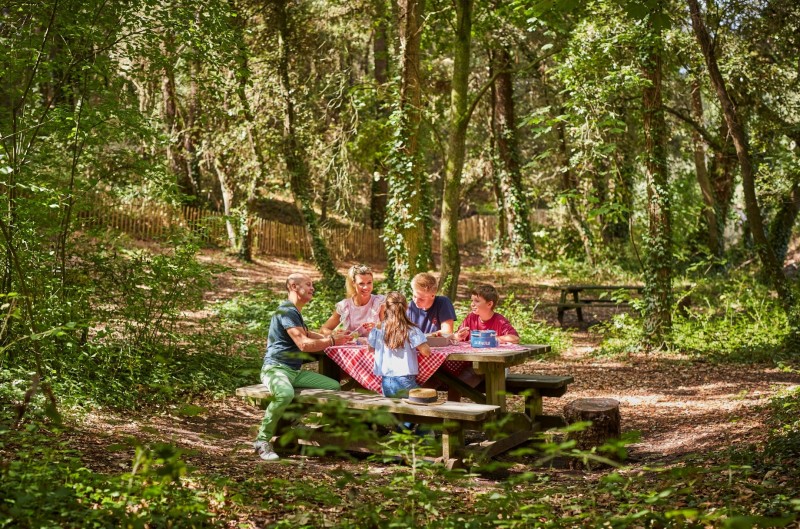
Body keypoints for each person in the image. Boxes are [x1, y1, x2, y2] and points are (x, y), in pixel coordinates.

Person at [253, 273, 352, 461]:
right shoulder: (286, 311)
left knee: (333, 386)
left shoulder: (294, 312)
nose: (312, 288)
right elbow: (304, 344)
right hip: (275, 369)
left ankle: (291, 419)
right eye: (308, 284)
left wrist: (337, 339)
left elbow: (306, 333)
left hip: (295, 372)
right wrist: (331, 340)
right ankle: (262, 440)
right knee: (285, 394)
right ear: (293, 287)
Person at [369, 291, 431, 431]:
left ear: (386, 307)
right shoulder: (411, 329)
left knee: (400, 410)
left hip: (386, 382)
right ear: (406, 307)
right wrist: (427, 344)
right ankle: (425, 438)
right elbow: (426, 352)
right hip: (405, 380)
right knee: (427, 405)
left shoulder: (378, 329)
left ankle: (402, 437)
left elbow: (370, 349)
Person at [320, 264, 385, 337]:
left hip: (374, 347)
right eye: (361, 283)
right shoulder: (345, 306)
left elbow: (393, 330)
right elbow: (323, 330)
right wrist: (336, 334)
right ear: (353, 283)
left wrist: (377, 327)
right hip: (351, 347)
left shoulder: (379, 302)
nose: (366, 287)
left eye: (369, 283)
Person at [455, 284, 520, 344]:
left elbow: (515, 338)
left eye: (477, 301)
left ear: (489, 304)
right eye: (472, 300)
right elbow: (454, 337)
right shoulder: (471, 318)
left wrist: (490, 339)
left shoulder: (500, 321)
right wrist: (458, 336)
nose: (472, 304)